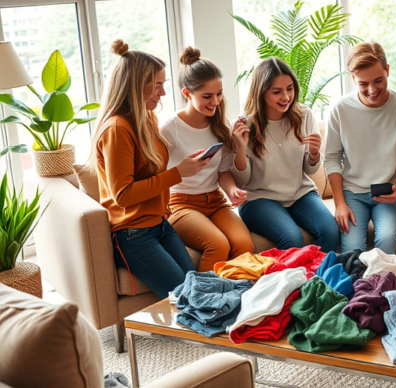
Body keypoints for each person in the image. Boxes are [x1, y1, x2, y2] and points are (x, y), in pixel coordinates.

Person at [89, 39, 204, 298]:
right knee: (187, 298)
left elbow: (151, 169)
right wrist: (178, 174)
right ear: (136, 86)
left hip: (160, 224)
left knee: (198, 287)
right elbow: (124, 195)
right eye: (158, 85)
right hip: (132, 234)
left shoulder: (147, 118)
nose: (163, 93)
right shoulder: (118, 129)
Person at [160, 47, 254, 272]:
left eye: (219, 93)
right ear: (187, 93)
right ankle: (203, 302)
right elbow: (155, 174)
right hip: (180, 204)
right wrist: (182, 171)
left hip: (215, 201)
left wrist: (231, 191)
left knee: (244, 244)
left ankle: (238, 298)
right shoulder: (169, 128)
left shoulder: (221, 125)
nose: (216, 101)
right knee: (217, 245)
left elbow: (223, 173)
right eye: (207, 96)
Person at [233, 57, 340, 252]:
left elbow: (309, 169)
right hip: (259, 199)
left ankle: (318, 281)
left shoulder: (304, 115)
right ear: (261, 92)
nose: (286, 97)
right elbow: (242, 181)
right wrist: (240, 148)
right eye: (277, 91)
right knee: (292, 238)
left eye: (289, 88)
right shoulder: (245, 125)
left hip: (300, 194)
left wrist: (315, 153)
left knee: (331, 231)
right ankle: (289, 283)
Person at [324, 43, 396, 254]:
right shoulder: (340, 108)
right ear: (353, 78)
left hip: (389, 192)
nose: (372, 90)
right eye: (363, 83)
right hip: (352, 194)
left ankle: (380, 287)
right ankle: (358, 287)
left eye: (378, 80)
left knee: (387, 239)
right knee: (352, 250)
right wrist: (339, 203)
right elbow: (332, 158)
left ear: (387, 70)